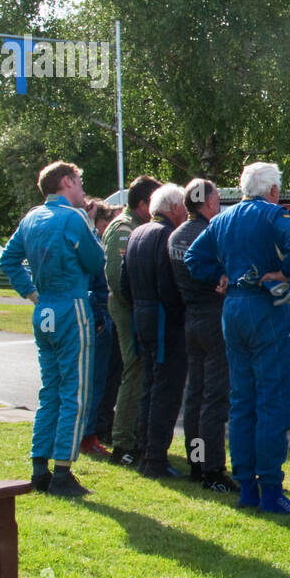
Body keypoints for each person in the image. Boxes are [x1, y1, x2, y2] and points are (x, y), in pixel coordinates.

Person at [186, 162, 290, 513]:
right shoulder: (271, 215)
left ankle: (246, 488)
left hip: (234, 308)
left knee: (241, 400)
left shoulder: (222, 219)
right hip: (266, 307)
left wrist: (220, 276)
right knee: (273, 397)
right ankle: (270, 489)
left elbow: (194, 258)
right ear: (273, 191)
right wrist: (285, 271)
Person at [0, 161, 105, 497]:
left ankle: (39, 467)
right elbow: (96, 262)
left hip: (44, 308)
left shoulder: (30, 217)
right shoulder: (73, 218)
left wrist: (31, 292)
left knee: (50, 391)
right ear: (67, 181)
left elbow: (8, 260)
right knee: (74, 391)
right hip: (71, 306)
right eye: (80, 181)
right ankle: (62, 472)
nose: (83, 188)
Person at [169, 178, 236, 493]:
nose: (219, 203)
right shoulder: (212, 233)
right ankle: (212, 470)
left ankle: (196, 461)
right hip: (212, 316)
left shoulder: (177, 234)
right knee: (214, 397)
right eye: (217, 198)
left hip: (191, 318)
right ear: (208, 202)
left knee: (194, 394)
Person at [120, 183, 189, 479]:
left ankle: (146, 450)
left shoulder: (137, 233)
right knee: (166, 391)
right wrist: (181, 314)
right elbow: (169, 286)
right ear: (173, 207)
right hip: (163, 321)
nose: (186, 212)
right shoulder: (166, 236)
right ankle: (155, 458)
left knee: (150, 386)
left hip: (141, 317)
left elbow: (124, 285)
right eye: (184, 206)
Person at [104, 175, 161, 467]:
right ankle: (123, 441)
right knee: (134, 369)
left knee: (140, 369)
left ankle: (133, 436)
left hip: (135, 309)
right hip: (128, 309)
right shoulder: (124, 228)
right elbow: (116, 276)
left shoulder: (137, 227)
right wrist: (140, 306)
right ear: (142, 203)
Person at [79, 200, 122, 458]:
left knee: (103, 378)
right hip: (95, 313)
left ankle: (92, 431)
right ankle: (88, 435)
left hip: (95, 311)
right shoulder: (88, 240)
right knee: (94, 380)